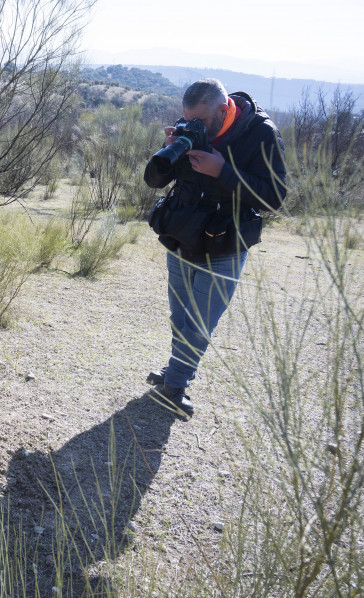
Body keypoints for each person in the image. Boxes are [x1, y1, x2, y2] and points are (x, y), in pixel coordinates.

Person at [143, 78, 287, 419]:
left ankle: (175, 386)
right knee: (180, 317)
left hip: (225, 246)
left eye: (202, 121)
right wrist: (171, 149)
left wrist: (222, 171)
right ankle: (175, 371)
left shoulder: (260, 133)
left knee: (199, 322)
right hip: (181, 237)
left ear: (224, 110)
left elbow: (275, 196)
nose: (196, 127)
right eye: (188, 119)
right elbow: (154, 181)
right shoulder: (191, 129)